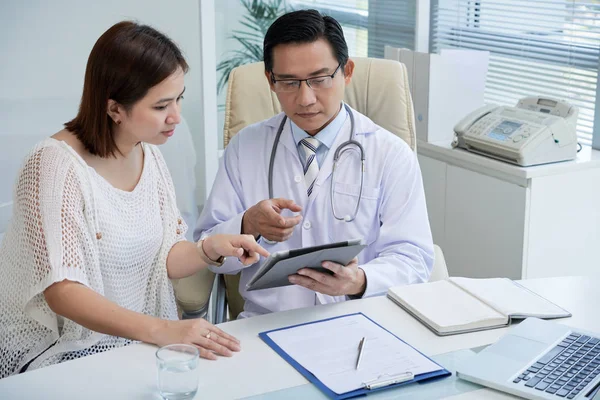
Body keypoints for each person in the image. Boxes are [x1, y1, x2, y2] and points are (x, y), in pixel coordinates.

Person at [0, 21, 268, 378]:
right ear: (114, 109)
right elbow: (62, 292)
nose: (176, 116)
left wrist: (211, 248)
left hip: (124, 342)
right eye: (161, 106)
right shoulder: (52, 167)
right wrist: (163, 330)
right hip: (52, 349)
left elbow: (162, 258)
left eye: (179, 98)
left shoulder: (148, 154)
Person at [195, 9, 434, 318]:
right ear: (270, 80)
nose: (306, 98)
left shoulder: (390, 154)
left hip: (359, 322)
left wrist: (359, 281)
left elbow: (414, 258)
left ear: (346, 71)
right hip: (265, 326)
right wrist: (247, 225)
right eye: (289, 82)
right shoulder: (246, 147)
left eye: (320, 79)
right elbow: (207, 250)